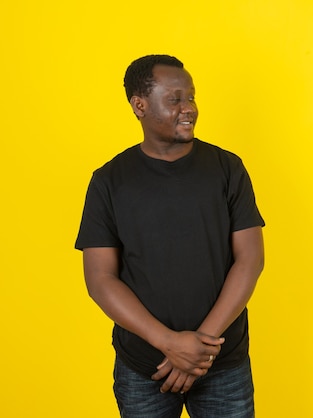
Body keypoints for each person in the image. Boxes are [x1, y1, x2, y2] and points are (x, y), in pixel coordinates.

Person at [75, 54, 265, 418]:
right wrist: (168, 343)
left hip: (223, 364)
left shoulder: (227, 168)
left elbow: (250, 260)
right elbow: (100, 279)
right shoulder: (109, 181)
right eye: (175, 99)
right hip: (145, 367)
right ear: (139, 105)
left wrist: (199, 349)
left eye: (191, 97)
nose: (188, 108)